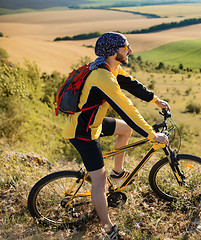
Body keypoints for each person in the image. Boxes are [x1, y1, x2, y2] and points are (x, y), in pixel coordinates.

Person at [62, 32, 170, 239]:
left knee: (125, 130)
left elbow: (131, 84)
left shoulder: (111, 68)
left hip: (91, 124)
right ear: (113, 51)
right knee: (99, 182)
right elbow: (126, 108)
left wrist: (155, 100)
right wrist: (151, 134)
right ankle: (107, 228)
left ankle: (118, 172)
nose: (129, 50)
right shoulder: (102, 77)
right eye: (125, 47)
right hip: (83, 132)